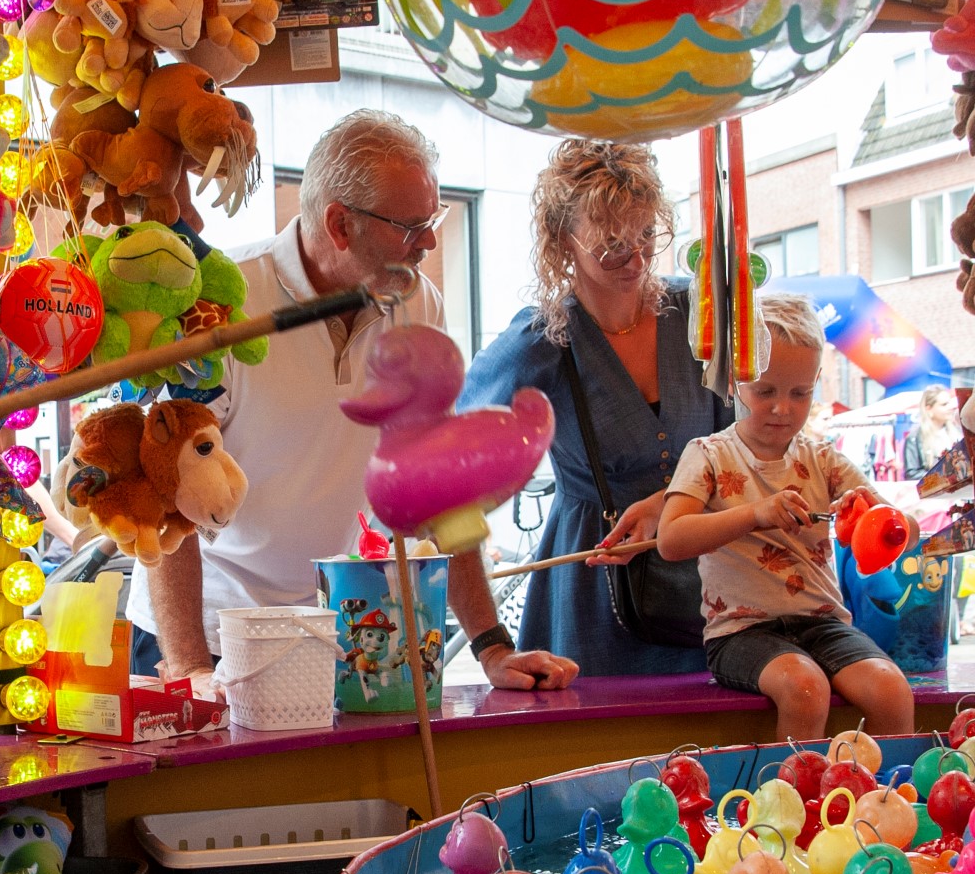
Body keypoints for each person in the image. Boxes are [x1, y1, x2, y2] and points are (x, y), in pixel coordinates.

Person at [134, 110, 577, 693]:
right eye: (411, 226)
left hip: (328, 629)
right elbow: (168, 495)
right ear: (339, 224)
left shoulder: (419, 305)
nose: (430, 242)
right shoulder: (222, 302)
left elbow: (438, 483)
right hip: (203, 631)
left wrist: (493, 647)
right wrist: (191, 669)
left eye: (433, 220)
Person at [457, 138, 735, 677]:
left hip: (714, 583)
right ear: (564, 241)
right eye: (611, 244)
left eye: (647, 235)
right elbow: (444, 489)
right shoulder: (542, 341)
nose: (636, 259)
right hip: (593, 598)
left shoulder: (699, 312)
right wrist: (490, 645)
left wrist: (673, 501)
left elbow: (753, 452)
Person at [657, 293, 913, 745]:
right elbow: (671, 539)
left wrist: (876, 522)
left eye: (800, 393)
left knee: (892, 690)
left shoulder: (824, 460)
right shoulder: (708, 454)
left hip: (823, 624)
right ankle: (789, 790)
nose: (782, 408)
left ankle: (882, 789)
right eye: (766, 391)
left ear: (815, 384)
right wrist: (754, 514)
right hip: (740, 631)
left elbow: (903, 531)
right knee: (804, 688)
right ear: (735, 382)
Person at [903, 384, 959, 480]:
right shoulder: (914, 437)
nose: (950, 407)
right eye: (944, 404)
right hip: (934, 488)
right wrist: (942, 476)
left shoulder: (958, 431)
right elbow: (912, 474)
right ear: (929, 408)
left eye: (949, 403)